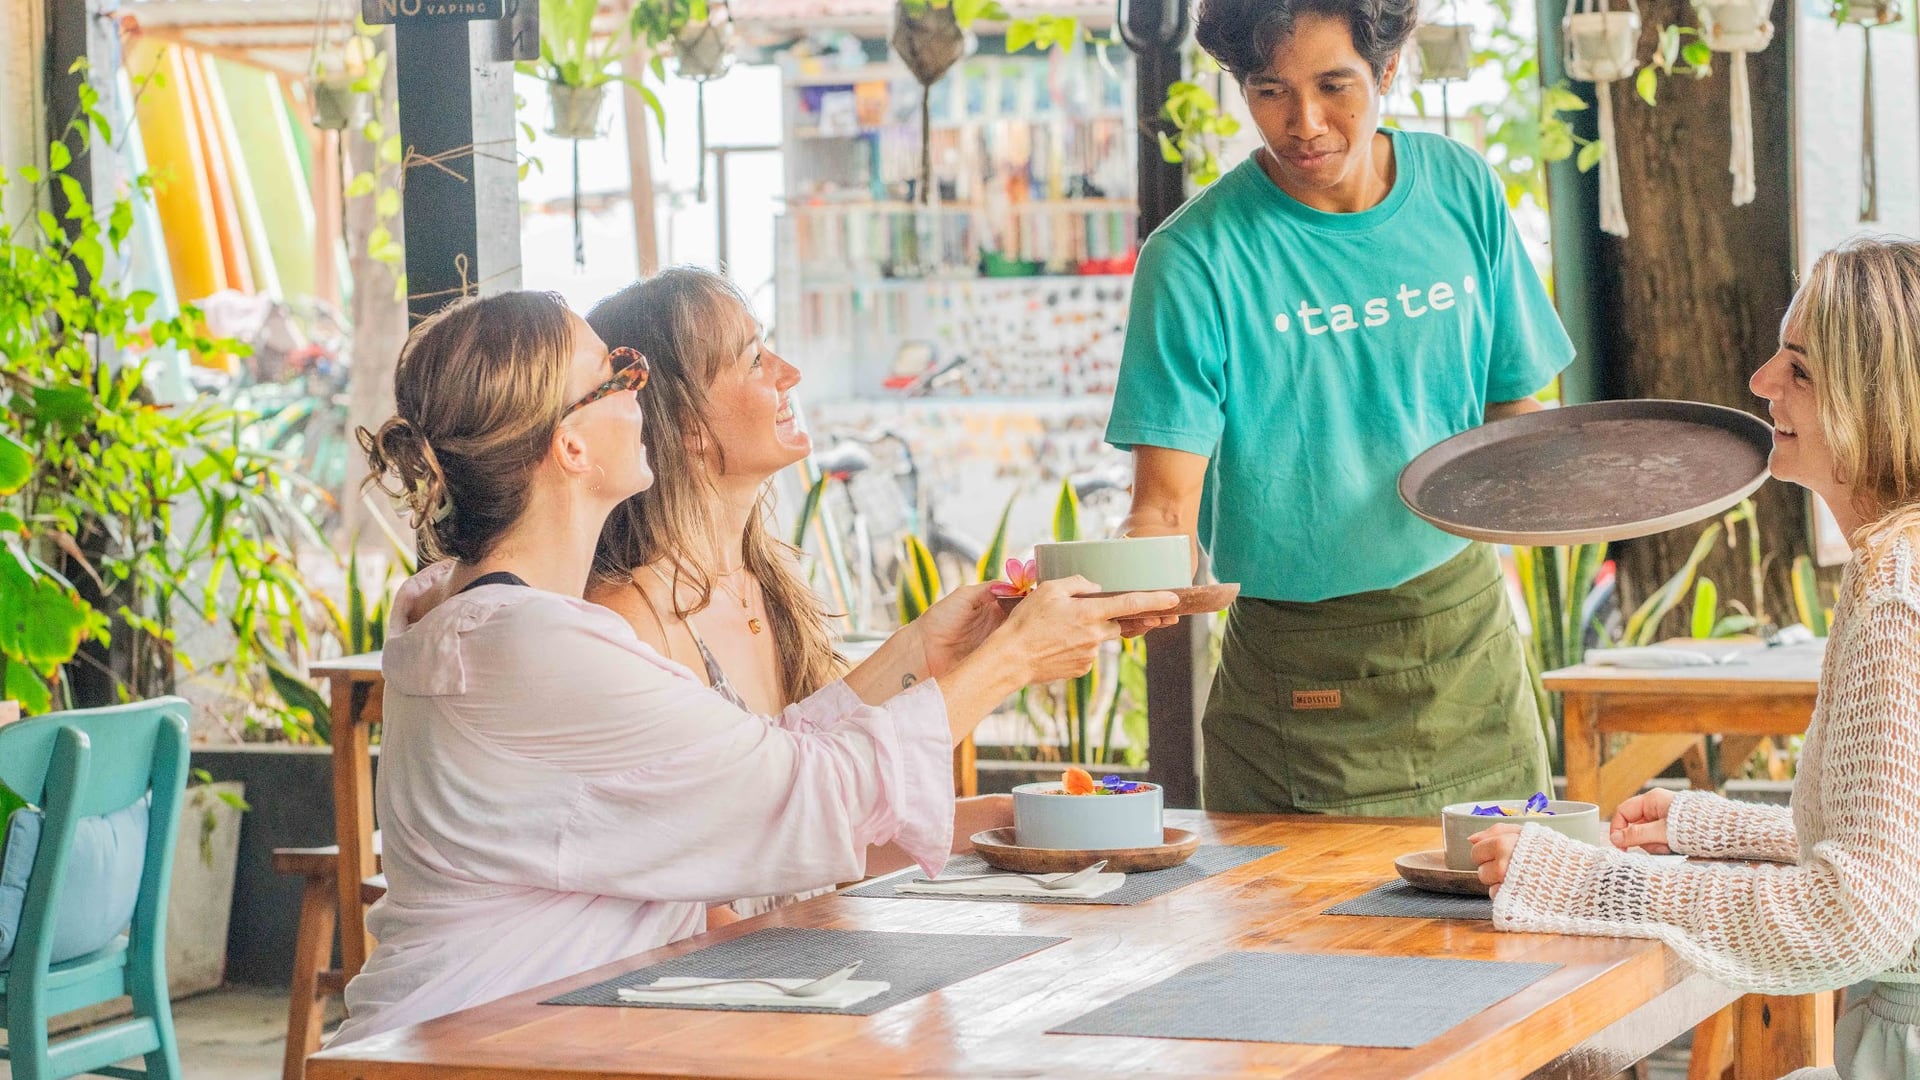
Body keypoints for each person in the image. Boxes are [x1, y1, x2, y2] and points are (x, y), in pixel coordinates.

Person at [328, 290, 1175, 1044]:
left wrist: (925, 654)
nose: (641, 390)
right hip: (480, 1045)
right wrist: (1011, 662)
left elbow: (752, 761)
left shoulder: (496, 619)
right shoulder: (527, 646)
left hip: (501, 1032)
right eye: (616, 374)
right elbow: (801, 794)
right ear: (572, 448)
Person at [1106, 0, 1575, 816]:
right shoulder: (1193, 259)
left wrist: (1597, 482)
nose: (1306, 123)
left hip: (1467, 638)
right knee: (1303, 943)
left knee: (1509, 925)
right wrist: (1115, 591)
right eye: (1269, 91)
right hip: (1298, 670)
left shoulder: (1461, 189)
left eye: (1334, 85)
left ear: (1387, 69)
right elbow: (1163, 508)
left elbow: (1513, 408)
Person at [1473, 238, 1920, 1080]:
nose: (1760, 382)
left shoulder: (1898, 588)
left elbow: (1860, 915)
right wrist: (1713, 827)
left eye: (1802, 370)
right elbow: (1900, 857)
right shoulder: (1895, 561)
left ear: (1880, 403)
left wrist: (1585, 884)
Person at [581, 268, 1017, 922]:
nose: (788, 373)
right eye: (754, 359)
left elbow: (813, 833)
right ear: (689, 423)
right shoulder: (629, 622)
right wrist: (1014, 658)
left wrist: (1011, 818)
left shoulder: (763, 587)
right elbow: (712, 903)